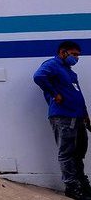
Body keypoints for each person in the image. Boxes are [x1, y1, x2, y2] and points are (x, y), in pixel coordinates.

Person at [33, 41, 91, 200]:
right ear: (63, 52)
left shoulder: (70, 72)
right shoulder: (52, 65)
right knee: (67, 153)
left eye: (78, 55)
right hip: (63, 116)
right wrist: (55, 94)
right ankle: (72, 187)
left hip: (78, 116)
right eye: (74, 54)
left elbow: (78, 94)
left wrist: (85, 115)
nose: (77, 58)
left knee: (78, 153)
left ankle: (82, 184)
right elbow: (38, 76)